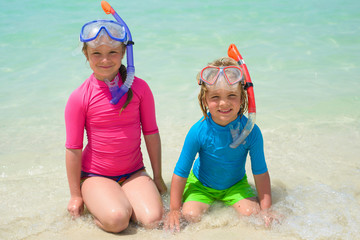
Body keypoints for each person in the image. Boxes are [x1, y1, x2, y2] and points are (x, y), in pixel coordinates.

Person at [65, 19, 167, 233]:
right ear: (86, 55)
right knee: (118, 220)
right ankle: (105, 204)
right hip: (96, 175)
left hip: (134, 173)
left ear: (124, 53)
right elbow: (73, 149)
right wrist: (75, 195)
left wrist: (157, 177)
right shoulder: (79, 97)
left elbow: (151, 134)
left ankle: (120, 200)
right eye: (96, 54)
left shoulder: (140, 88)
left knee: (153, 220)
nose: (105, 60)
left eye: (112, 52)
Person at [165, 57, 274, 231]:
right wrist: (173, 210)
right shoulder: (198, 131)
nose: (224, 103)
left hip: (235, 185)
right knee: (190, 216)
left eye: (232, 95)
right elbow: (181, 171)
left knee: (252, 214)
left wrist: (267, 209)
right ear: (205, 98)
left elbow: (260, 172)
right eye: (215, 97)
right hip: (202, 185)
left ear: (242, 97)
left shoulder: (251, 131)